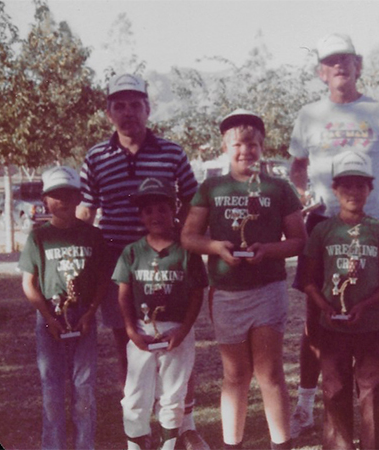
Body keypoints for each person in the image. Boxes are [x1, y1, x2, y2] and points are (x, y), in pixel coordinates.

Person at [288, 33, 379, 437]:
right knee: (316, 318)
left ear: (359, 65)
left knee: (378, 318)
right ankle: (306, 403)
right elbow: (297, 168)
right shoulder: (308, 115)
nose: (339, 66)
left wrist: (365, 210)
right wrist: (320, 202)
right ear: (321, 71)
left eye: (347, 59)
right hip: (322, 225)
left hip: (370, 227)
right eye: (330, 61)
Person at [77, 73, 203, 443]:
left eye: (135, 104)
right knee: (129, 345)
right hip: (120, 261)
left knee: (178, 342)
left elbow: (195, 204)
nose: (128, 112)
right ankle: (139, 429)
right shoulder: (96, 157)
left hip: (169, 261)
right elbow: (87, 209)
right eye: (120, 105)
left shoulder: (172, 152)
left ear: (148, 109)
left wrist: (188, 247)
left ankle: (186, 427)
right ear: (108, 112)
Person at [181, 109, 306, 450]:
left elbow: (298, 240)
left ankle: (281, 444)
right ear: (225, 145)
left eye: (252, 144)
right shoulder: (211, 187)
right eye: (237, 144)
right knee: (235, 376)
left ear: (262, 145)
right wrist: (215, 247)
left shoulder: (278, 187)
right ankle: (231, 445)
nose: (245, 151)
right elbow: (188, 237)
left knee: (270, 373)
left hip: (267, 290)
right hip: (227, 293)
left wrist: (268, 249)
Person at [302, 151, 379, 449]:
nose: (353, 192)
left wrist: (366, 305)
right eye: (346, 186)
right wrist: (325, 308)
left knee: (371, 390)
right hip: (332, 327)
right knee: (334, 390)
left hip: (370, 325)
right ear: (335, 189)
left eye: (361, 185)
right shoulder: (322, 230)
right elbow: (307, 280)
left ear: (371, 190)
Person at [113, 177, 208, 450]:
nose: (156, 215)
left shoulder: (186, 251)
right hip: (142, 332)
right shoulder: (131, 252)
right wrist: (131, 331)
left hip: (177, 331)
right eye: (149, 210)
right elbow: (123, 295)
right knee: (134, 394)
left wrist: (184, 329)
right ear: (141, 216)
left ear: (174, 210)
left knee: (173, 393)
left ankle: (168, 447)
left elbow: (196, 294)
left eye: (162, 209)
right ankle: (136, 445)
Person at [19, 166, 107, 450]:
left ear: (79, 197)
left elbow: (103, 279)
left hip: (83, 316)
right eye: (55, 195)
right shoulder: (38, 237)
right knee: (52, 387)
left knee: (83, 387)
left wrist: (90, 312)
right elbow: (29, 283)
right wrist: (47, 317)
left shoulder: (92, 235)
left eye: (69, 194)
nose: (63, 201)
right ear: (45, 200)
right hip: (49, 317)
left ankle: (84, 445)